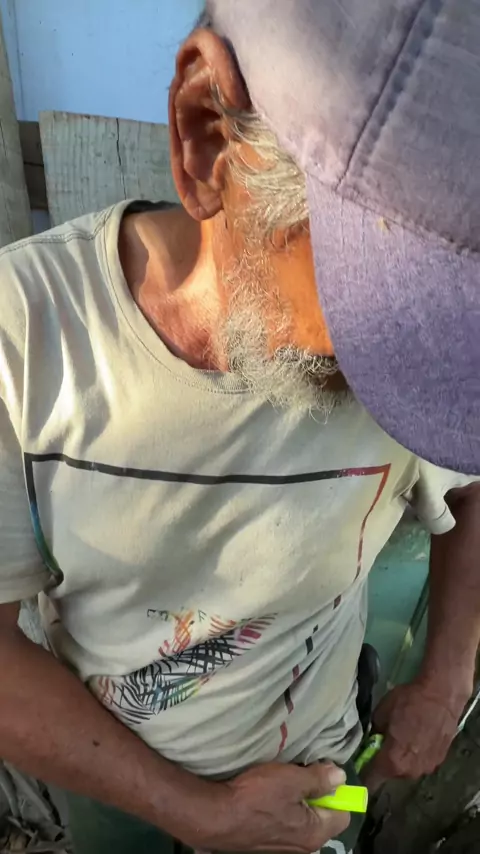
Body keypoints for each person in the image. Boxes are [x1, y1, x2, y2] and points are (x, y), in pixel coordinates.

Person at [1, 1, 480, 852]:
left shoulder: (434, 353)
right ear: (207, 135)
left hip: (324, 781)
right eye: (379, 300)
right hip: (114, 797)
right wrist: (198, 815)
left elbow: (471, 482)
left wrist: (446, 677)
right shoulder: (21, 337)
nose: (404, 382)